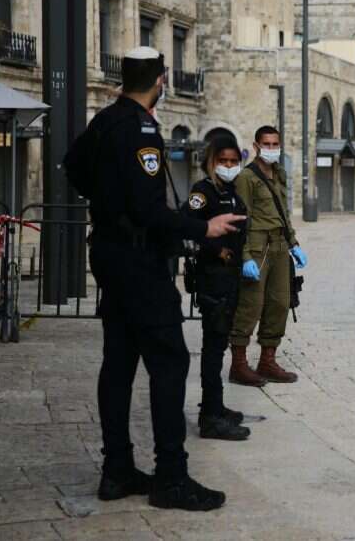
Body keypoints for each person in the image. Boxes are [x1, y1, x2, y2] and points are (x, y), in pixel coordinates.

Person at [64, 46, 245, 512]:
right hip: (140, 263)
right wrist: (204, 228)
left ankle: (117, 469)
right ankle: (171, 477)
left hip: (109, 257)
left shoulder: (105, 119)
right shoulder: (142, 128)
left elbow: (73, 165)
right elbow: (150, 211)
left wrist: (108, 203)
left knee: (119, 363)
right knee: (169, 363)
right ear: (162, 80)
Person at [184, 135, 252, 442]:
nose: (228, 166)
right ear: (211, 161)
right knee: (213, 347)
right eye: (222, 161)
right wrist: (215, 250)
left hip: (231, 276)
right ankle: (210, 417)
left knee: (220, 343)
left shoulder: (232, 191)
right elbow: (188, 223)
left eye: (233, 162)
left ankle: (215, 405)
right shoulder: (203, 191)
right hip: (214, 276)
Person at [229, 126, 308, 385]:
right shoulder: (246, 178)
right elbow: (241, 220)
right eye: (267, 144)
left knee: (279, 304)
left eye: (275, 144)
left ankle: (267, 361)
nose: (272, 149)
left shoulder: (279, 173)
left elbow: (283, 213)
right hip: (257, 247)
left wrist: (293, 243)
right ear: (256, 145)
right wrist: (245, 256)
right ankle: (239, 365)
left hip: (279, 246)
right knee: (251, 306)